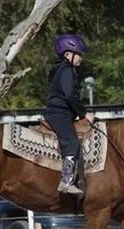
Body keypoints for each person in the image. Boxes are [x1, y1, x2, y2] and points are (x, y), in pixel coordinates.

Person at [44, 34, 95, 195]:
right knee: (71, 142)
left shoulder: (59, 69)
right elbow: (70, 96)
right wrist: (84, 114)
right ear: (67, 54)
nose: (81, 57)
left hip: (60, 114)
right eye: (78, 53)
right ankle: (66, 181)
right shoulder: (67, 70)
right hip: (59, 115)